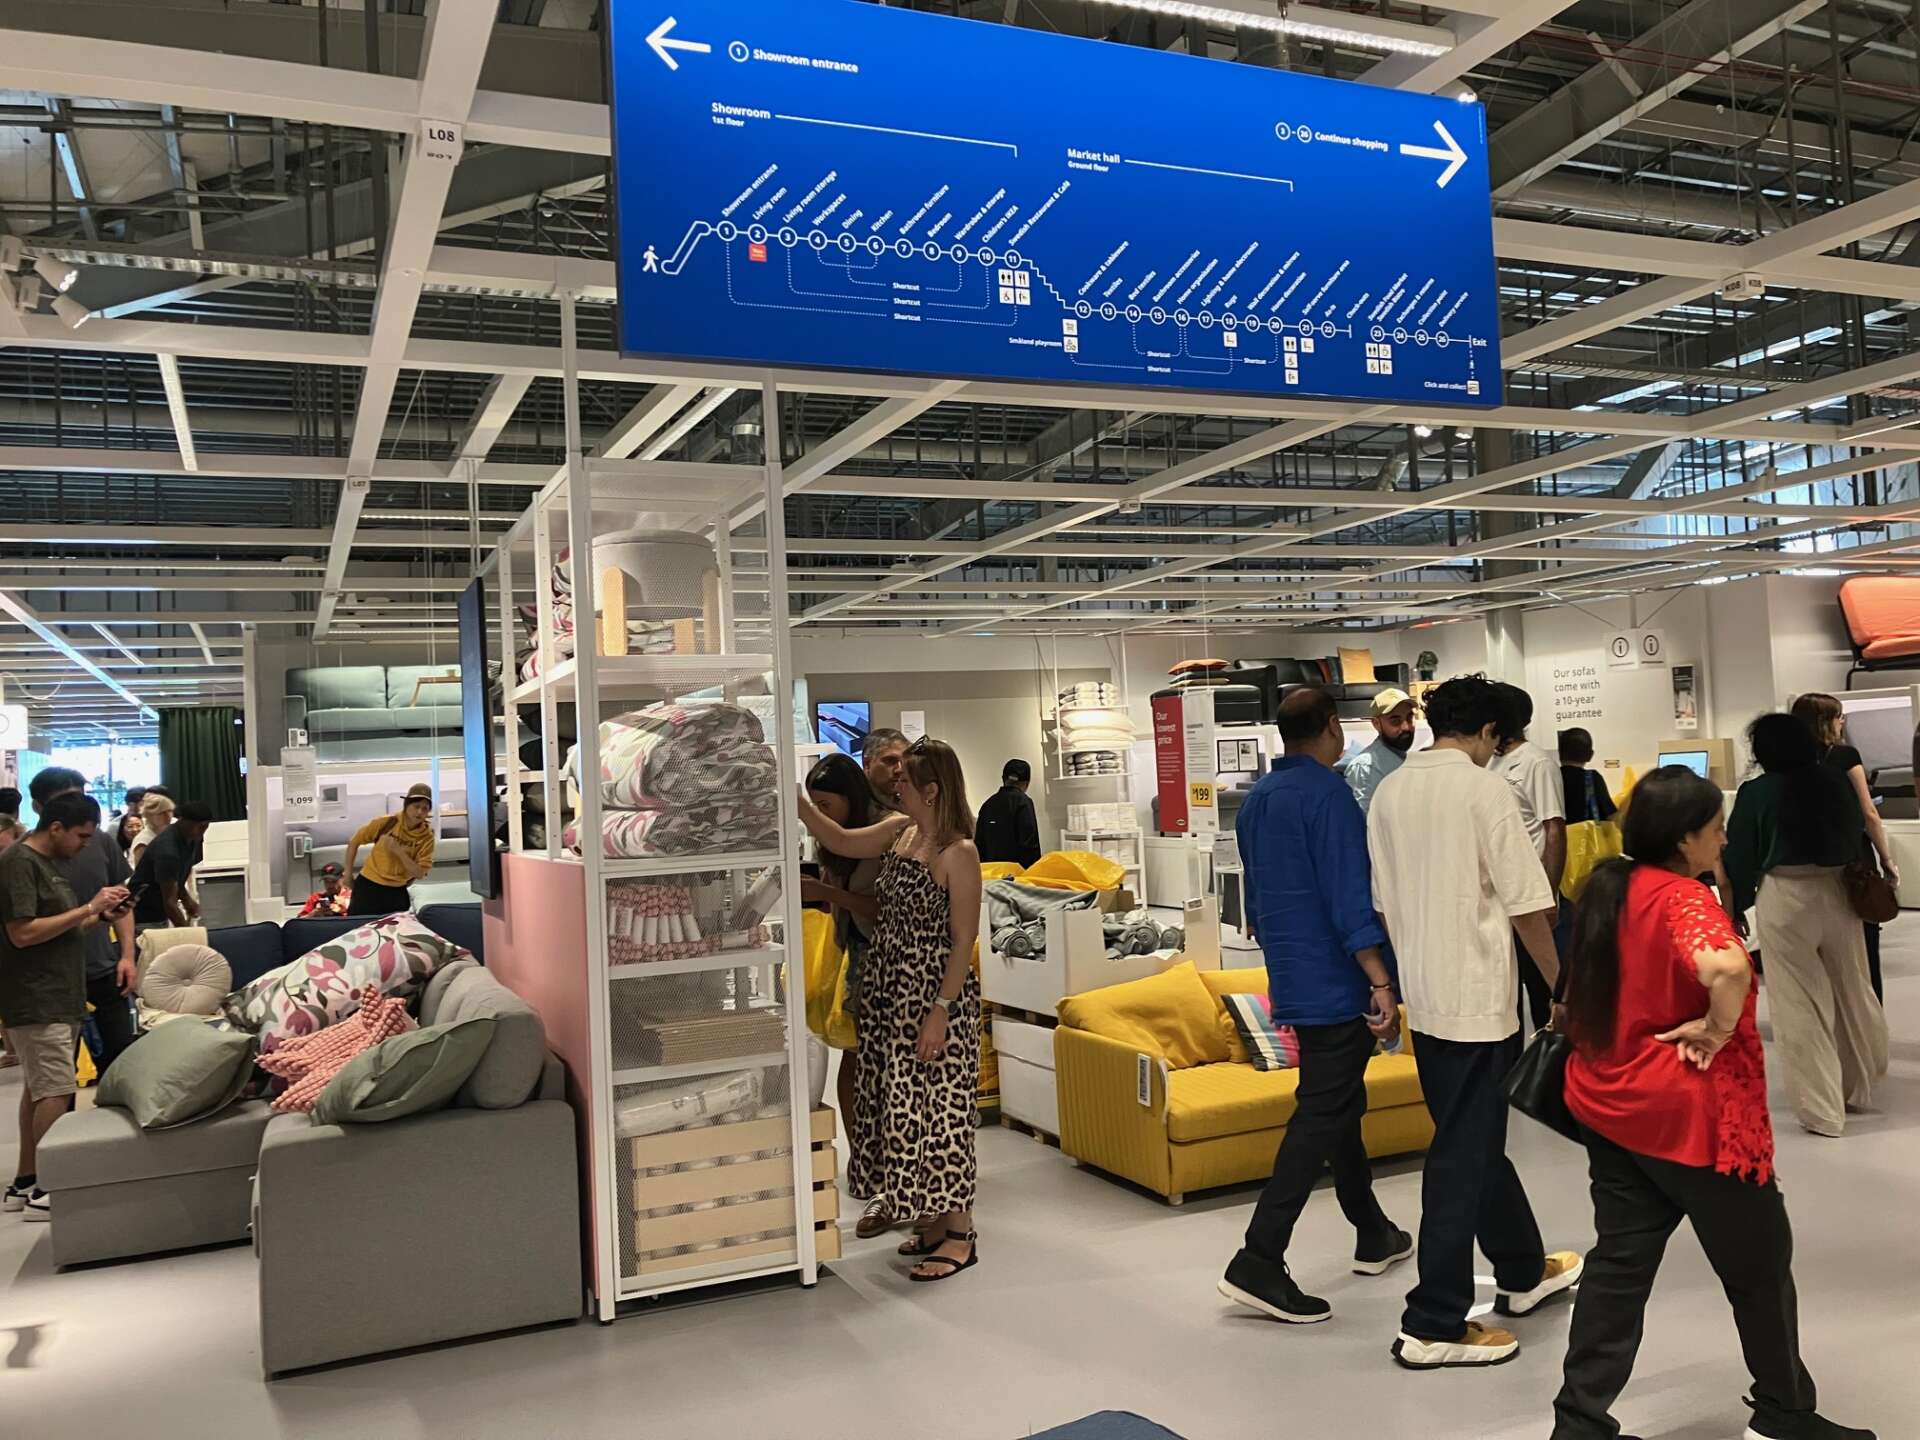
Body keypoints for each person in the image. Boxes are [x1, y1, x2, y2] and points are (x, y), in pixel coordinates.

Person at [1550, 766, 1875, 1440]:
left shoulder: (1610, 887)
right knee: (1760, 1267)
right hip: (1692, 1119)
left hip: (1612, 1107)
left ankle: (1579, 1423)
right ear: (1684, 838)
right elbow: (1725, 967)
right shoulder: (1684, 898)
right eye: (1716, 829)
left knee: (1619, 1267)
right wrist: (1719, 1029)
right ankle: (1784, 1414)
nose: (1724, 841)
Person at [1367, 674, 1580, 1370]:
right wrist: (1561, 987)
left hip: (1426, 997)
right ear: (1488, 732)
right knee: (1463, 1153)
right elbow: (1529, 905)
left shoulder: (1391, 791)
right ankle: (1433, 1320)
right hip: (1480, 1002)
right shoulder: (1485, 790)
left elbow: (1383, 901)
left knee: (1474, 1140)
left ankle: (1521, 1270)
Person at [1218, 688, 1411, 1325]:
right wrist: (1380, 980)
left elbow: (1255, 898)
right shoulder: (1329, 796)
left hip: (1292, 976)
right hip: (1336, 980)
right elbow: (1348, 897)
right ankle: (1259, 1255)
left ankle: (1372, 1231)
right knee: (1322, 1111)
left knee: (1338, 1104)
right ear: (1332, 727)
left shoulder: (1258, 801)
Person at [797, 737, 983, 1284]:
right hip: (889, 994)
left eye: (906, 779)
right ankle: (931, 1222)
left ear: (932, 789)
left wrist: (940, 1010)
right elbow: (839, 839)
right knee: (901, 1112)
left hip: (930, 996)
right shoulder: (901, 831)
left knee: (942, 1115)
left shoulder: (958, 852)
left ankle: (960, 1233)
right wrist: (798, 803)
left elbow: (963, 939)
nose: (894, 783)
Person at [1725, 714, 1888, 1138]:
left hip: (1785, 896)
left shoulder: (1756, 793)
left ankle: (1821, 1109)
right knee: (1851, 987)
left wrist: (1736, 906)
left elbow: (1740, 854)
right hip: (1838, 893)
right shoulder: (1833, 781)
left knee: (1799, 1002)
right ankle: (1858, 1084)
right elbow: (1857, 832)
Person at [1, 791, 129, 1219]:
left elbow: (56, 930)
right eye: (81, 836)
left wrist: (100, 917)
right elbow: (23, 933)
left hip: (56, 993)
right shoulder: (20, 863)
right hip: (38, 997)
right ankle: (50, 1187)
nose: (85, 845)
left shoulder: (46, 865)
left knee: (40, 1088)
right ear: (55, 828)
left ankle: (26, 1180)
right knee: (56, 1089)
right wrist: (88, 907)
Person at [800, 753, 889, 1236]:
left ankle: (890, 1176)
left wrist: (829, 894)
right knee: (854, 1060)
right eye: (814, 806)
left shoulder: (887, 833)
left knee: (882, 1069)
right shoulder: (835, 839)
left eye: (826, 805)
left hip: (887, 963)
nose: (821, 815)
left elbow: (883, 909)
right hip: (855, 958)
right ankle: (864, 1161)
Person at [28, 767, 138, 1075]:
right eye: (65, 801)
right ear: (40, 808)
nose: (77, 809)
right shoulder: (25, 858)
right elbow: (24, 930)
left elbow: (121, 902)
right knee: (57, 1076)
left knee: (122, 1062)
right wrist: (90, 910)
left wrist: (127, 955)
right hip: (53, 979)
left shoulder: (100, 842)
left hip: (103, 968)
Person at [1790, 693, 1899, 1002]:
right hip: (1851, 856)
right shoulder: (1844, 756)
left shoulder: (1787, 762)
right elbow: (1869, 813)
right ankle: (1870, 1010)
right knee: (1864, 938)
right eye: (1839, 717)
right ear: (1825, 722)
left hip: (1805, 860)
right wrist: (1887, 859)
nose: (1843, 722)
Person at [1494, 683, 1567, 1033]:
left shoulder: (1535, 762)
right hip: (1502, 897)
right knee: (1509, 994)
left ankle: (1549, 1059)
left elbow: (1554, 828)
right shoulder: (1490, 761)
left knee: (1542, 991)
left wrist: (1548, 894)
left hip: (1532, 895)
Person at [343, 783, 436, 915]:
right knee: (358, 925)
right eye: (416, 806)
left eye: (425, 808)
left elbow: (419, 873)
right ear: (406, 805)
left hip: (396, 891)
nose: (420, 812)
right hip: (368, 885)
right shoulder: (386, 823)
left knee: (397, 927)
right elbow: (354, 842)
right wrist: (347, 873)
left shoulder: (427, 837)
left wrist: (399, 851)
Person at [131, 799, 211, 931]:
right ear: (184, 822)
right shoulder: (168, 851)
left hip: (158, 913)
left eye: (206, 827)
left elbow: (175, 879)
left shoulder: (190, 839)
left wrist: (187, 900)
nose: (203, 831)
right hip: (143, 917)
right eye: (201, 827)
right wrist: (189, 934)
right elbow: (170, 904)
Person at [1341, 687, 1417, 815]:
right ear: (1376, 724)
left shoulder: (1402, 757)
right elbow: (1362, 820)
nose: (1406, 727)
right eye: (1396, 721)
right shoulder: (1365, 767)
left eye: (1409, 718)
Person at [974, 758, 1042, 868]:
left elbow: (979, 845)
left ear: (1003, 779)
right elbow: (1030, 846)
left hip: (990, 874)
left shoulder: (987, 805)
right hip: (1017, 874)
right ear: (1027, 783)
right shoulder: (1024, 802)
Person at [862, 727, 909, 807]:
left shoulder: (907, 801)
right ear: (867, 764)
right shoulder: (853, 805)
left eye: (904, 762)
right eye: (890, 760)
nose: (899, 769)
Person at [128, 789, 175, 867]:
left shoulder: (169, 833)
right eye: (161, 813)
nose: (168, 816)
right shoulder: (143, 841)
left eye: (170, 811)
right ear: (149, 815)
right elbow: (142, 872)